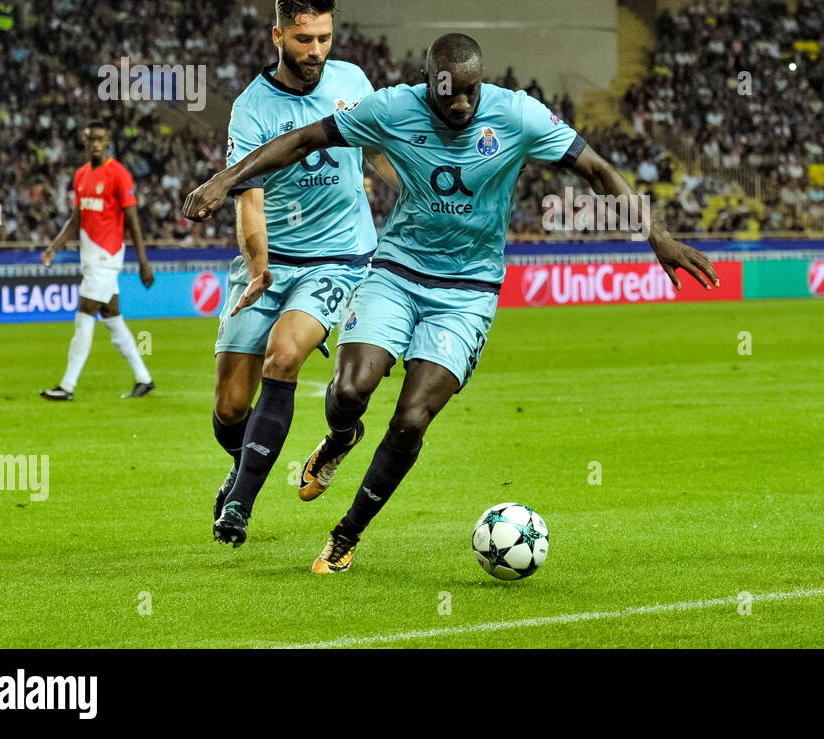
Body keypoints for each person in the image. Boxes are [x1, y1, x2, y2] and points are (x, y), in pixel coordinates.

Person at [183, 33, 718, 570]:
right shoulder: (393, 107)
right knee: (348, 390)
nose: (461, 105)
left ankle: (347, 534)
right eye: (448, 95)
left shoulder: (519, 115)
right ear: (427, 83)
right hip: (395, 272)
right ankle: (342, 437)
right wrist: (224, 180)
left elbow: (598, 169)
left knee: (412, 418)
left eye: (470, 93)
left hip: (467, 293)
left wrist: (658, 236)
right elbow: (303, 140)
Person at [204, 0, 398, 545]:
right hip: (270, 259)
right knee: (230, 406)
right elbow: (251, 202)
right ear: (278, 35)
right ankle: (242, 467)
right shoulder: (252, 109)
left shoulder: (351, 82)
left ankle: (239, 505)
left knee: (283, 355)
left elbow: (380, 150)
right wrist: (259, 268)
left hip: (338, 257)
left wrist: (417, 193)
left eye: (325, 38)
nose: (316, 51)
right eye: (304, 38)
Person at [39, 123, 155, 400]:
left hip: (107, 256)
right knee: (112, 318)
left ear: (108, 142)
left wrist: (142, 261)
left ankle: (67, 386)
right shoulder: (81, 175)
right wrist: (53, 247)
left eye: (100, 139)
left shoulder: (119, 174)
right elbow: (76, 219)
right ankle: (144, 378)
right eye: (91, 139)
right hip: (90, 258)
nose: (95, 144)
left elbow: (133, 220)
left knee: (85, 313)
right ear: (84, 140)